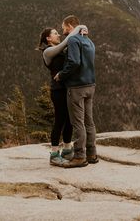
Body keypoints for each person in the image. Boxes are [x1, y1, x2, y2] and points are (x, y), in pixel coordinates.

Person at [38, 24, 87, 166]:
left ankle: (66, 149)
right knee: (59, 120)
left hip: (68, 88)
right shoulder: (47, 52)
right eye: (55, 33)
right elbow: (65, 43)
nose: (59, 35)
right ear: (48, 38)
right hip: (57, 90)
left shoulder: (61, 50)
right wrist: (78, 28)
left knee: (70, 120)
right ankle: (54, 154)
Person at [54, 15, 98, 168]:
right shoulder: (89, 40)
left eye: (64, 27)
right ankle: (92, 154)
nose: (63, 30)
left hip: (77, 86)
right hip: (90, 84)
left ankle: (79, 156)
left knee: (77, 122)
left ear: (70, 25)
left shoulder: (73, 40)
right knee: (89, 122)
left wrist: (61, 75)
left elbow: (74, 62)